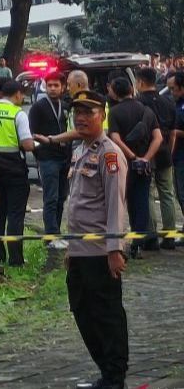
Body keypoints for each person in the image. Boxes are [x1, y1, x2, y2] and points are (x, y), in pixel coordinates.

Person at [65, 90, 129, 389]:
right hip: (79, 249)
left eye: (88, 112)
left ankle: (115, 376)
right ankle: (105, 370)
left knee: (107, 314)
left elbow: (116, 204)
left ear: (102, 115)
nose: (81, 118)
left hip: (100, 251)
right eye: (77, 112)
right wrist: (70, 246)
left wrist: (115, 249)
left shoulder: (110, 153)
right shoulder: (80, 150)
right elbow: (77, 203)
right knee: (81, 309)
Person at [0, 79, 35, 266]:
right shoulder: (17, 114)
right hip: (14, 169)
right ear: (17, 94)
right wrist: (35, 143)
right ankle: (16, 259)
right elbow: (27, 145)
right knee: (15, 215)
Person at [107, 77, 162, 258]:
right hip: (144, 167)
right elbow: (158, 138)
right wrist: (145, 158)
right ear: (132, 89)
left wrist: (131, 156)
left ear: (114, 92)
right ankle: (138, 244)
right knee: (141, 204)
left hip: (122, 165)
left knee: (118, 203)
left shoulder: (114, 112)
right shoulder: (146, 111)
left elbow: (115, 138)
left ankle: (118, 244)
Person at [136, 67, 177, 249]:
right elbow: (173, 132)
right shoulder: (168, 101)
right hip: (166, 152)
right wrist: (170, 151)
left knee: (148, 195)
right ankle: (170, 235)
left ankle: (151, 237)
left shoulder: (138, 103)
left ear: (140, 82)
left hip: (147, 153)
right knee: (167, 194)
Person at [28, 72, 70, 235]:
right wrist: (40, 154)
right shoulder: (38, 107)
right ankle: (51, 233)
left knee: (61, 198)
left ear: (63, 87)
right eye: (49, 85)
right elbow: (32, 133)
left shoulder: (66, 106)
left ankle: (57, 229)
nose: (52, 89)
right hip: (47, 158)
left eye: (56, 85)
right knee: (50, 198)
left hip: (64, 158)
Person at [169, 72, 184, 222]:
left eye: (174, 89)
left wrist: (175, 132)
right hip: (178, 156)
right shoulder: (178, 103)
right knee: (180, 194)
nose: (172, 92)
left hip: (182, 158)